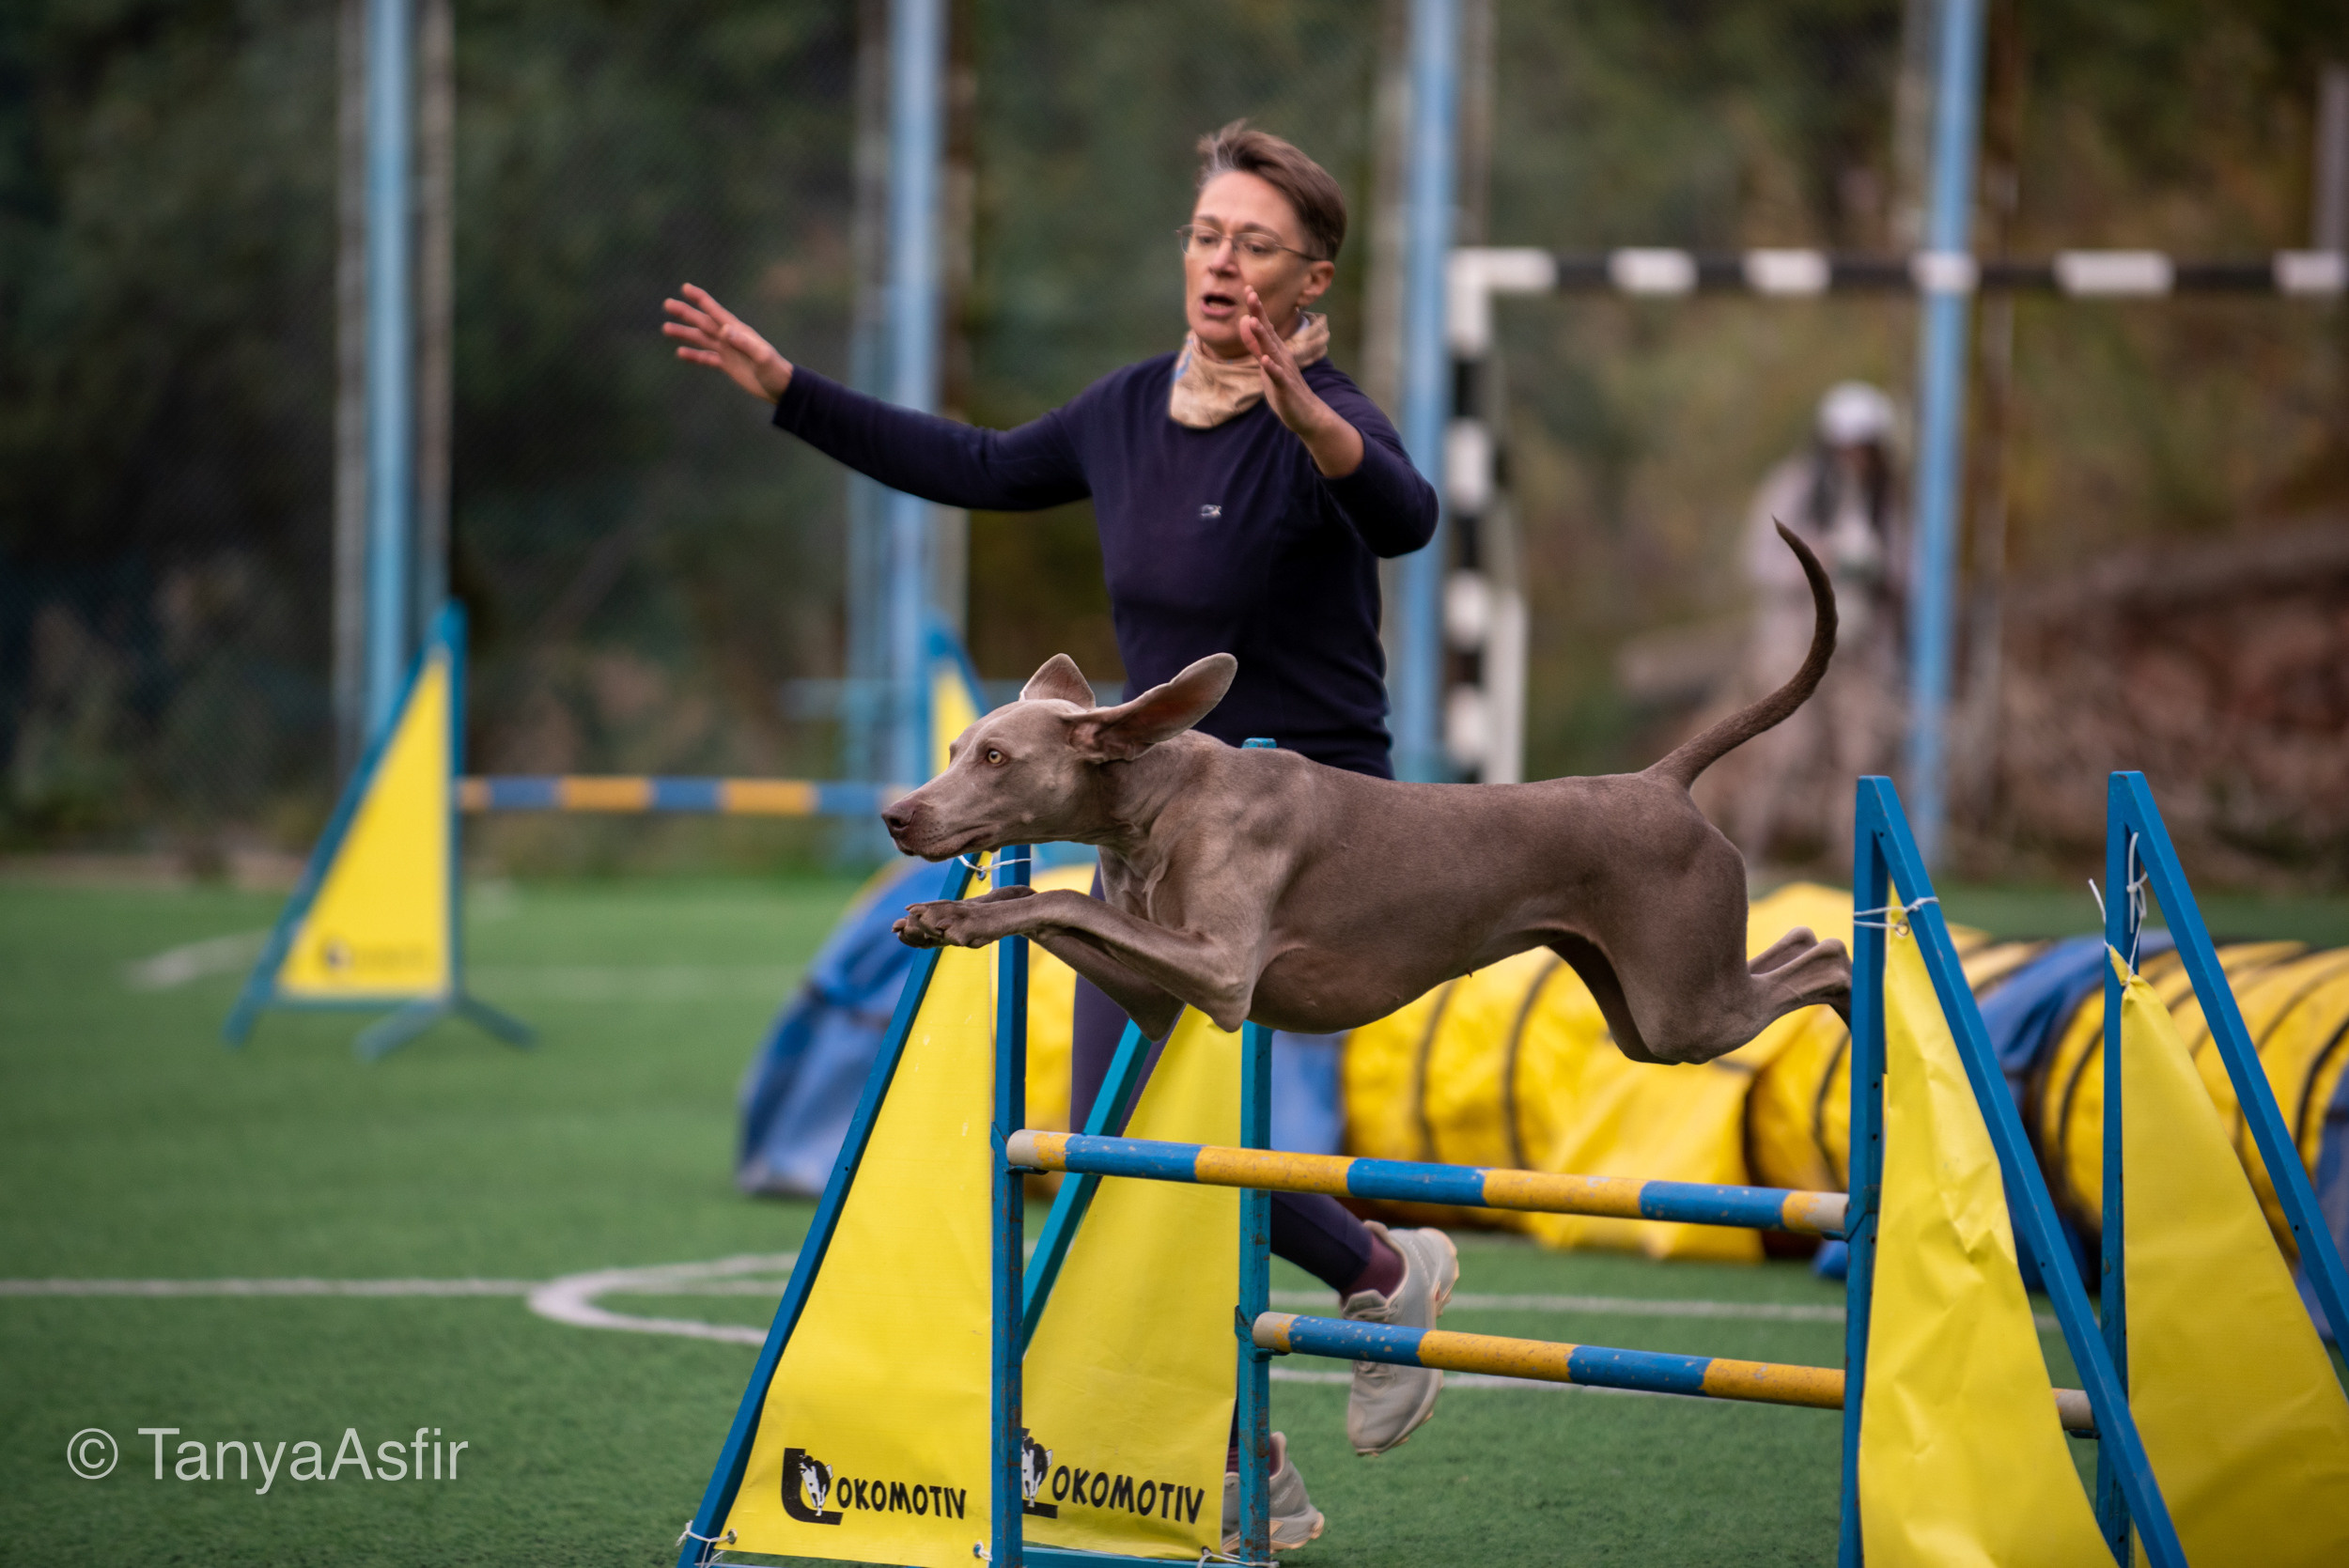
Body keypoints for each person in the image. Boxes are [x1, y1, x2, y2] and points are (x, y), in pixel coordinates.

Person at [665, 121, 1449, 1547]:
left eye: (1256, 242)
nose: (1224, 262)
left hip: (1306, 815)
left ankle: (1344, 1310)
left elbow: (1403, 514)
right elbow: (969, 461)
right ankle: (1291, 1386)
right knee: (1103, 1146)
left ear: (1310, 273)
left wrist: (1316, 421)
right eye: (1208, 235)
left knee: (1162, 1129)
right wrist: (787, 389)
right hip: (1153, 816)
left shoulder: (1326, 414)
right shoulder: (1126, 410)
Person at [1717, 380, 1907, 865]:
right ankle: (1747, 859)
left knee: (1864, 757)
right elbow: (1757, 563)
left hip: (1864, 650)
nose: (1854, 459)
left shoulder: (1890, 503)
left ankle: (1854, 867)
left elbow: (1914, 573)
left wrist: (1880, 566)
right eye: (1846, 447)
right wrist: (1816, 558)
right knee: (1786, 748)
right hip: (1794, 644)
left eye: (1864, 448)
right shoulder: (1793, 487)